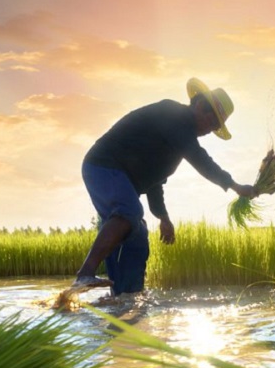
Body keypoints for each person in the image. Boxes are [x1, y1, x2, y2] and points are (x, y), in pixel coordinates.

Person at [72, 77, 258, 295]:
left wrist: (163, 217)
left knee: (137, 235)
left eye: (217, 127)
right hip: (102, 166)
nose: (211, 130)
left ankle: (123, 299)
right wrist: (234, 185)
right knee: (128, 212)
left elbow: (155, 182)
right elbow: (200, 158)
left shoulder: (176, 144)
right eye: (212, 122)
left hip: (117, 178)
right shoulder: (173, 115)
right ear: (199, 106)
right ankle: (85, 273)